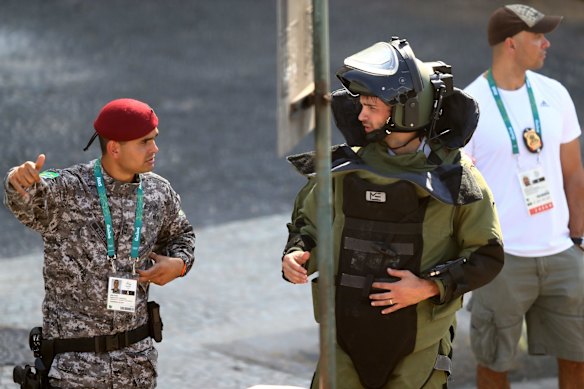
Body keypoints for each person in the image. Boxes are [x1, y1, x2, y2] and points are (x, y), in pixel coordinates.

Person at [281, 37, 504, 389]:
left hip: (418, 348)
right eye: (361, 104)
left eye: (372, 106)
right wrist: (296, 255)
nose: (361, 115)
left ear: (406, 110)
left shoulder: (454, 177)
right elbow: (309, 224)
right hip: (343, 340)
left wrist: (429, 287)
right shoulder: (345, 168)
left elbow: (486, 255)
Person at [4, 98, 196, 388]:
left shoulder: (158, 191)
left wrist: (179, 264)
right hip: (74, 370)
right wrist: (18, 181)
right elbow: (30, 201)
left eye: (154, 140)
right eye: (144, 142)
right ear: (115, 148)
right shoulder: (69, 189)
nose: (154, 149)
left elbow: (182, 235)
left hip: (136, 368)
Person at [463, 4, 584, 388]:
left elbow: (574, 172)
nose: (547, 44)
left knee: (579, 355)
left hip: (561, 251)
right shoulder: (469, 107)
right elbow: (460, 193)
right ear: (511, 44)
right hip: (502, 260)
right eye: (538, 37)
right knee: (494, 362)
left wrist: (579, 238)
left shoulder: (555, 94)